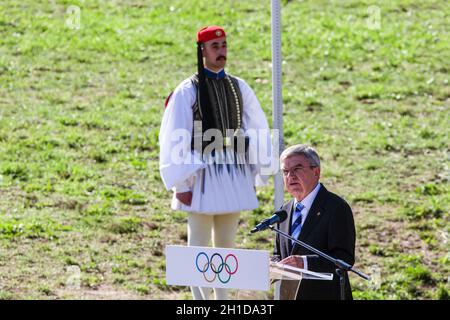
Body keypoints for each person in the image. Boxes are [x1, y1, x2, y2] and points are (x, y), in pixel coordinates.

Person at [159, 26, 272, 300]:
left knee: (226, 245)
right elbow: (176, 136)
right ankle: (200, 301)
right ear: (202, 51)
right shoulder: (188, 90)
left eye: (223, 45)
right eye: (215, 46)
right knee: (197, 246)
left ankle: (222, 299)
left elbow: (256, 128)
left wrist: (253, 167)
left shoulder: (238, 87)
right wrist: (182, 182)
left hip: (232, 173)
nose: (221, 51)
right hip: (200, 175)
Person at [272, 144, 356, 300]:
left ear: (316, 172)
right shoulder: (284, 211)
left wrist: (304, 263)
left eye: (297, 169)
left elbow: (344, 258)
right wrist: (271, 264)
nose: (290, 176)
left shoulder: (336, 207)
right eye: (285, 171)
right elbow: (281, 254)